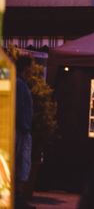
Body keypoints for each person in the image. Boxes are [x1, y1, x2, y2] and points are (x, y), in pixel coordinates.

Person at [15, 57, 34, 209]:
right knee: (21, 162)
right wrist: (25, 127)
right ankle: (17, 198)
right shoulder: (20, 84)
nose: (32, 71)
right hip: (21, 129)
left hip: (20, 128)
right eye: (30, 67)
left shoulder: (20, 83)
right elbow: (21, 107)